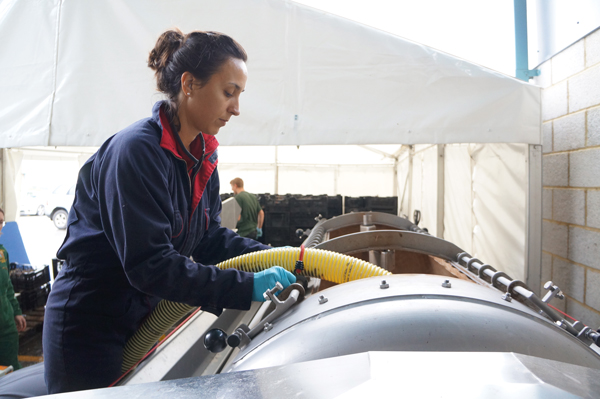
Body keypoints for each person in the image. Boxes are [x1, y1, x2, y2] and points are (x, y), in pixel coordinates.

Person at [42, 29, 296, 394]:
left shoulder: (202, 154)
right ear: (189, 84)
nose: (236, 108)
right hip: (90, 326)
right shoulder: (136, 152)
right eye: (229, 92)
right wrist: (245, 287)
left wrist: (277, 259)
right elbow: (151, 264)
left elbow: (208, 239)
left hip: (139, 317)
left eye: (240, 95)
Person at [0, 208, 27, 371]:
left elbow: (8, 286)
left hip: (6, 326)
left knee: (11, 370)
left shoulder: (2, 253)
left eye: (1, 222)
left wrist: (16, 312)